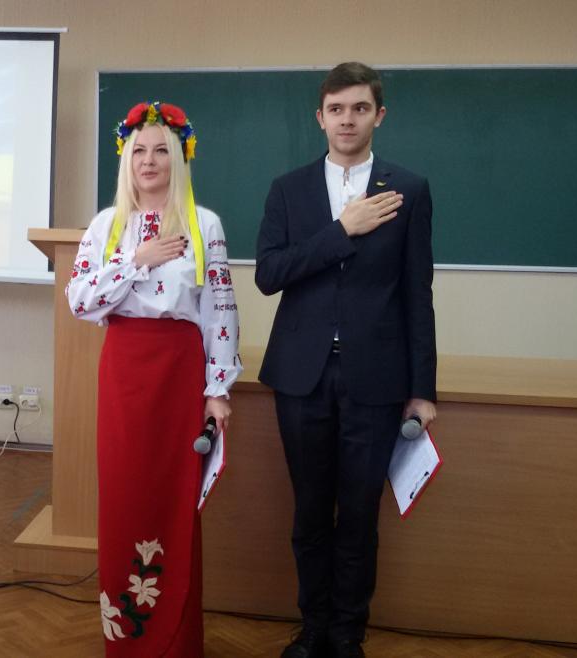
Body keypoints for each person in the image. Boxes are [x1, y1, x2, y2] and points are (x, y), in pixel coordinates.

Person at [254, 62, 437, 658]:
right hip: (301, 377)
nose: (347, 120)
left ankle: (346, 635)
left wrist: (422, 389)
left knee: (358, 516)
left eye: (359, 108)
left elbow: (417, 294)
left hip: (376, 379)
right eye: (336, 109)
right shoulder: (288, 188)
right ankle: (313, 629)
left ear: (378, 115)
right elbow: (268, 274)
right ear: (320, 117)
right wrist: (342, 229)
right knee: (310, 512)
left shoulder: (408, 189)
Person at [67, 100, 241, 656]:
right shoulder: (107, 225)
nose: (149, 160)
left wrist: (217, 390)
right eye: (139, 150)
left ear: (179, 158)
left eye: (161, 150)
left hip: (179, 374)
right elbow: (80, 300)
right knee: (125, 496)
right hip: (125, 371)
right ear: (126, 159)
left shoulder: (203, 223)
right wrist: (136, 258)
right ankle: (129, 640)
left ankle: (177, 640)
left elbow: (219, 308)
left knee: (175, 499)